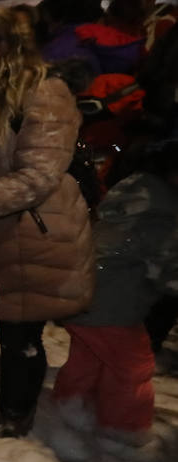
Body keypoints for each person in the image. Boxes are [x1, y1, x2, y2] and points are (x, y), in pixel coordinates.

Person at [0, 6, 95, 437]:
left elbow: (40, 175)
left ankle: (15, 416)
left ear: (0, 46)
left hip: (31, 233)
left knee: (19, 333)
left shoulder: (43, 91)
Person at [54, 141, 178, 442]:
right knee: (134, 367)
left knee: (89, 359)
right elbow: (167, 268)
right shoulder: (161, 216)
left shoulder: (131, 197)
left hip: (83, 296)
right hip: (114, 307)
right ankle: (125, 428)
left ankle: (68, 406)